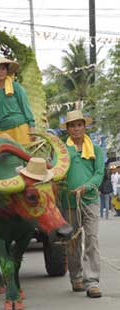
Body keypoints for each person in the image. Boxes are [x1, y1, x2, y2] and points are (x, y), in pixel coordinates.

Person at [59, 110, 104, 298]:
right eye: (72, 125)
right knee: (73, 242)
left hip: (90, 200)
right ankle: (76, 277)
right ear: (67, 129)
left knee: (92, 239)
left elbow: (99, 173)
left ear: (84, 126)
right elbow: (56, 171)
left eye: (79, 125)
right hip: (69, 202)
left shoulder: (96, 149)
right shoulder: (62, 151)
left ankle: (92, 281)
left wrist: (87, 186)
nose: (76, 129)